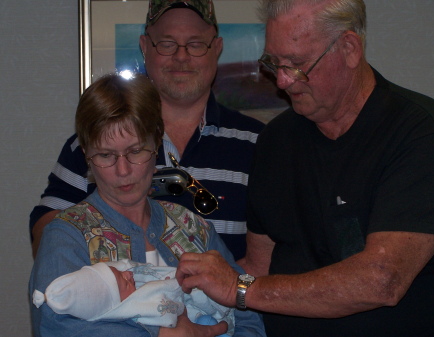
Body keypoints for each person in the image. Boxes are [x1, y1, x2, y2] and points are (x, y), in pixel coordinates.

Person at [175, 0, 434, 336]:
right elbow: (258, 266)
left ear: (349, 48)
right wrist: (177, 293)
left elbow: (382, 280)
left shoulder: (420, 132)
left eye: (298, 64)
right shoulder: (276, 141)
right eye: (274, 63)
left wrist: (240, 290)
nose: (283, 81)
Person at [29, 73, 266, 337]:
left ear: (157, 144)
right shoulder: (66, 236)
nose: (123, 170)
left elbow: (248, 319)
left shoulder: (195, 230)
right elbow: (58, 327)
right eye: (105, 155)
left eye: (136, 151)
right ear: (86, 154)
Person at [29, 0, 264, 260]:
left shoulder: (260, 144)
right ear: (144, 47)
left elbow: (268, 259)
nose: (181, 56)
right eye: (167, 43)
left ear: (216, 49)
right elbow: (46, 231)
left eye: (196, 44)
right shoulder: (95, 145)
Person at [32, 260, 232, 336]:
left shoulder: (126, 282)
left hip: (194, 317)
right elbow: (167, 312)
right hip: (194, 322)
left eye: (120, 272)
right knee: (213, 326)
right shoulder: (133, 308)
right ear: (117, 304)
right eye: (124, 282)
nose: (129, 275)